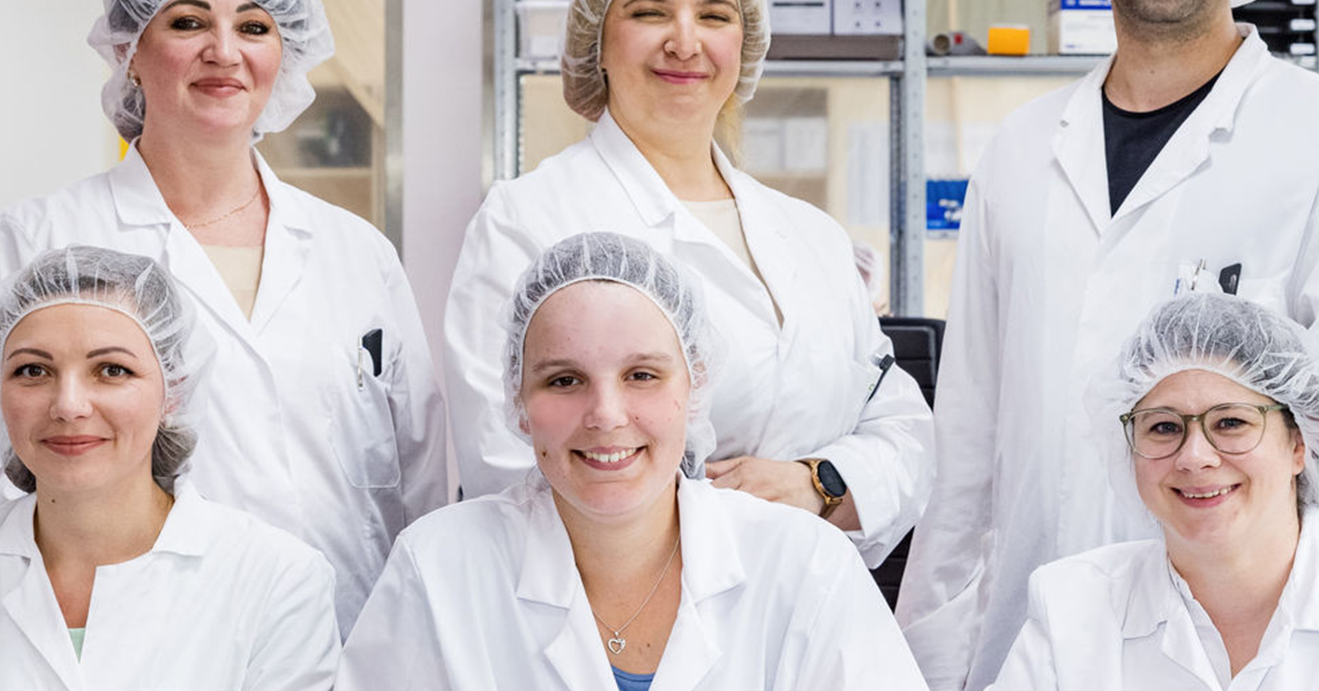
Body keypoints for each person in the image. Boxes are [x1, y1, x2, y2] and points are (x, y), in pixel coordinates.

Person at [893, 0, 1319, 687]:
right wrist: (934, 651)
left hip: (1252, 651)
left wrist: (1305, 648)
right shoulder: (1023, 151)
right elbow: (968, 438)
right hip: (1035, 643)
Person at [0, 0, 447, 631]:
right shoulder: (44, 238)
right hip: (139, 643)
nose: (225, 52)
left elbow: (420, 472)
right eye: (188, 22)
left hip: (353, 637)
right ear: (130, 50)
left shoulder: (354, 250)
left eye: (254, 27)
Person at [443, 0, 932, 565]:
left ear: (745, 41)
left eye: (714, 15)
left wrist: (818, 482)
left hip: (811, 619)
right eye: (649, 12)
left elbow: (904, 429)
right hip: (618, 626)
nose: (685, 41)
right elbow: (509, 465)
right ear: (599, 40)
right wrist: (731, 524)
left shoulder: (812, 237)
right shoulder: (529, 220)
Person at [340, 232, 925, 690]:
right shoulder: (439, 568)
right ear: (518, 402)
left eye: (641, 375)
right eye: (564, 379)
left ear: (694, 386)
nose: (606, 414)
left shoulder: (805, 566)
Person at [0, 246, 339, 690]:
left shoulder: (278, 580)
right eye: (33, 370)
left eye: (112, 370)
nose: (68, 405)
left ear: (173, 392)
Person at [989, 293, 1319, 689]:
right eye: (1163, 427)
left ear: (1300, 443)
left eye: (1231, 423)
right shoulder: (1070, 610)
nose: (1195, 456)